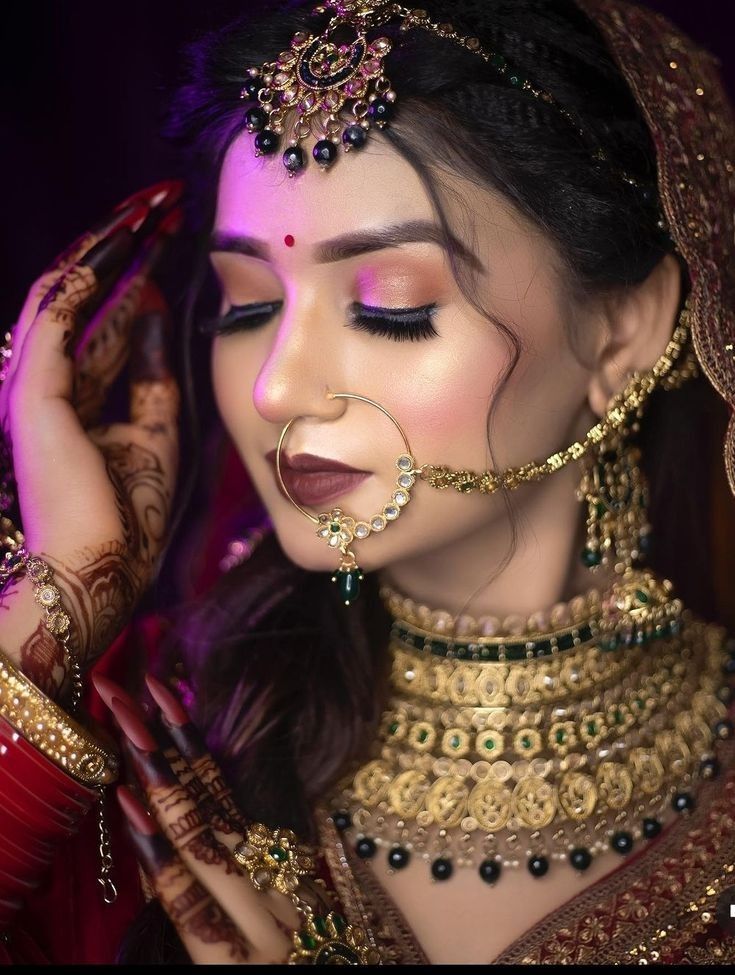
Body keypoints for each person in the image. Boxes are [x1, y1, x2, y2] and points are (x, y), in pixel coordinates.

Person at [1, 0, 735, 964]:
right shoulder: (149, 733)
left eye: (392, 308)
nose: (274, 388)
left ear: (621, 329)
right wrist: (53, 603)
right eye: (247, 305)